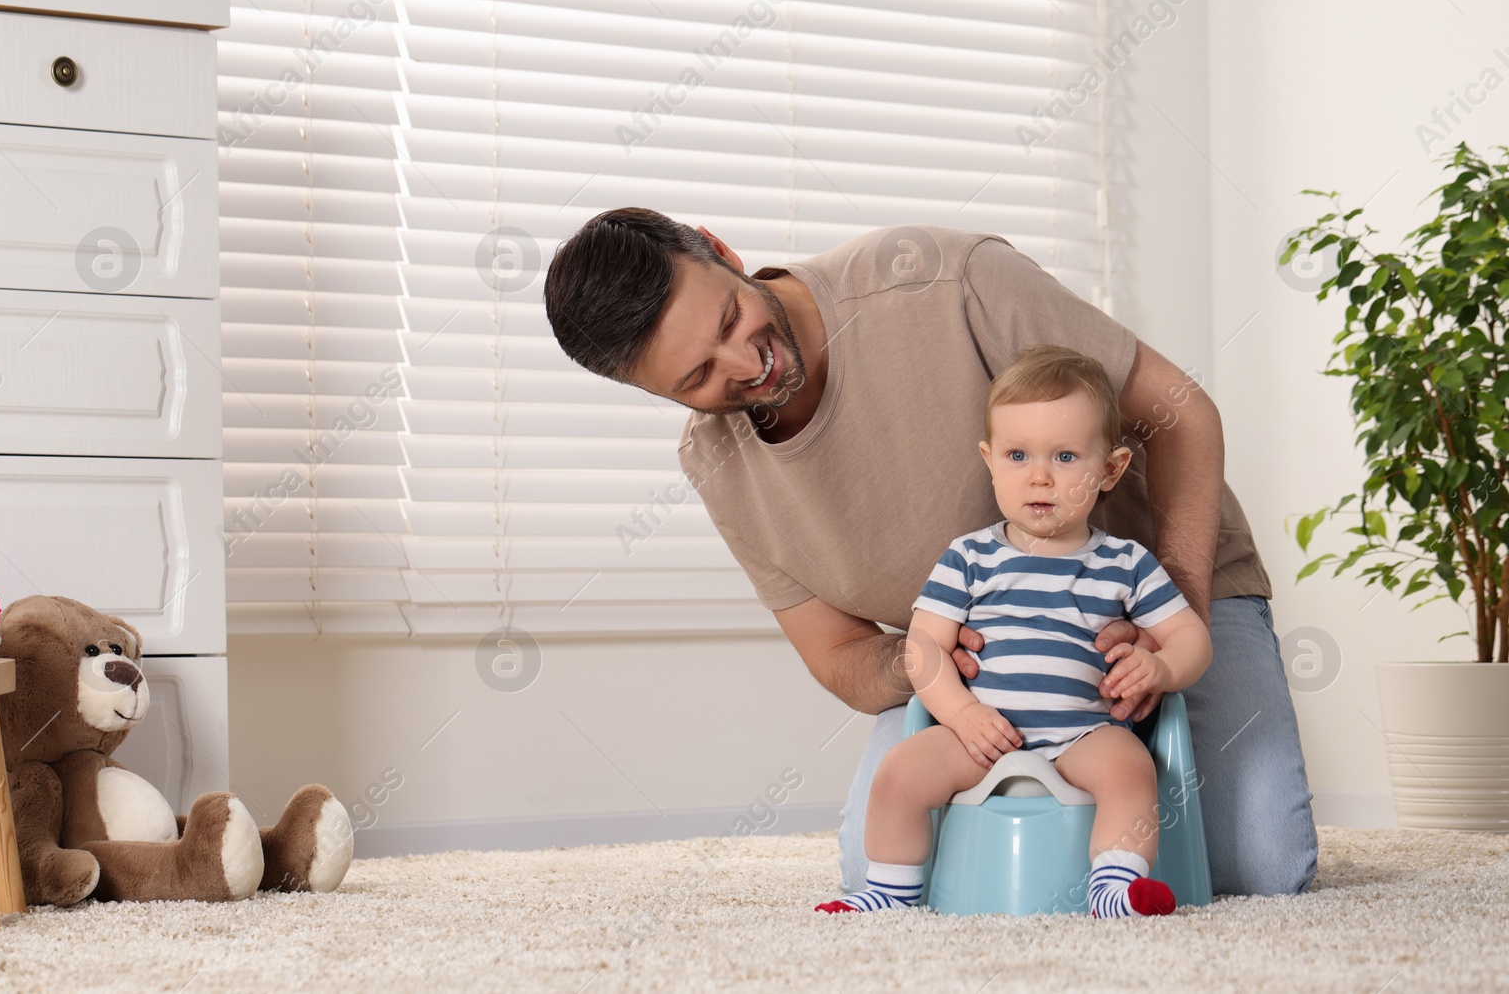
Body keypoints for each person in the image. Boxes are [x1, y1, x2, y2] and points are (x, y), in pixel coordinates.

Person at [542, 208, 1318, 898]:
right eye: (698, 377)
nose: (747, 367)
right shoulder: (716, 462)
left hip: (1168, 595)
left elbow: (1185, 416)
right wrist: (934, 662)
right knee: (875, 862)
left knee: (1261, 863)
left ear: (719, 249)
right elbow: (838, 652)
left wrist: (1171, 618)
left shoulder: (947, 279)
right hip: (979, 682)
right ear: (659, 393)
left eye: (727, 322)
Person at [814, 345, 1213, 917]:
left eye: (1067, 456)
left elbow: (1192, 638)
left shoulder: (1126, 563)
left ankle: (1114, 885)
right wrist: (960, 714)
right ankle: (890, 889)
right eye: (1019, 455)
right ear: (990, 459)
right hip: (982, 734)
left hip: (1082, 734)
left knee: (1131, 768)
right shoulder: (968, 557)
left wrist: (1164, 666)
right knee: (899, 772)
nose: (1041, 476)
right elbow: (924, 647)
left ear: (1111, 470)